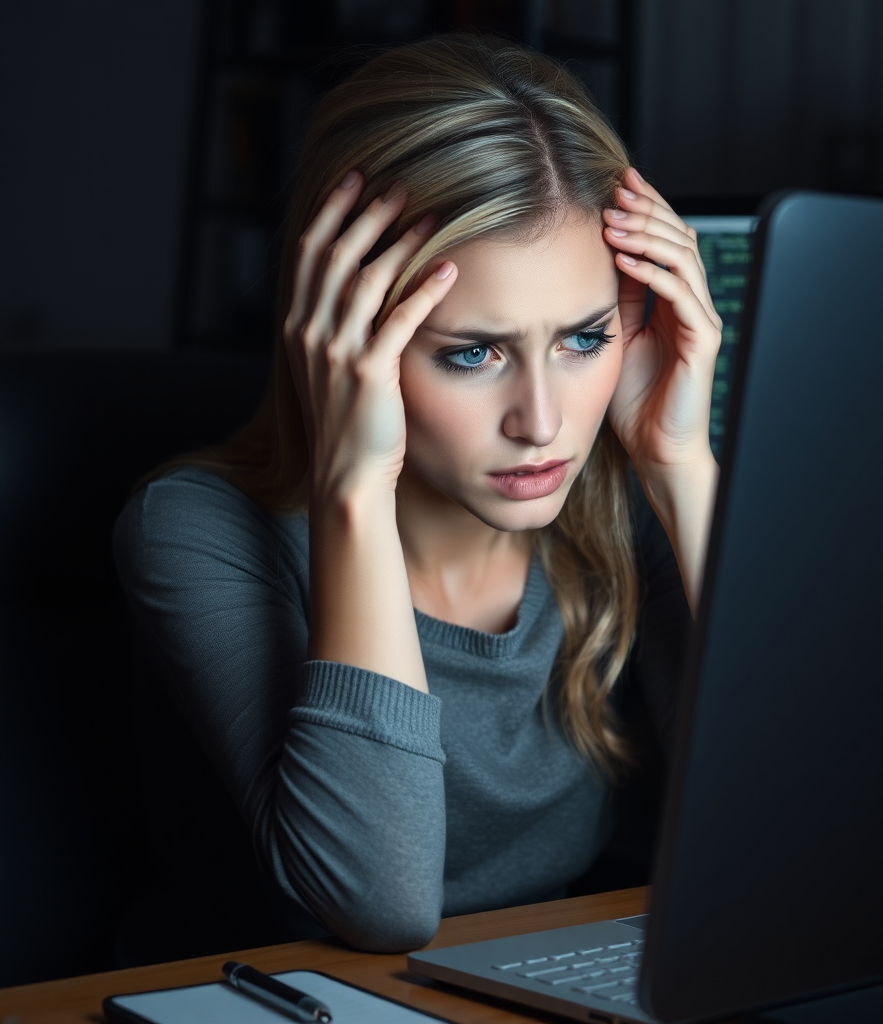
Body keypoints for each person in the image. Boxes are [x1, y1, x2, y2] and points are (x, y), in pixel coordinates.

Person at [112, 32, 721, 960]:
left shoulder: (623, 507)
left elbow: (797, 834)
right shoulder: (195, 530)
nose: (543, 421)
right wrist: (353, 487)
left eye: (585, 338)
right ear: (339, 334)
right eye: (472, 352)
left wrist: (682, 465)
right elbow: (382, 906)